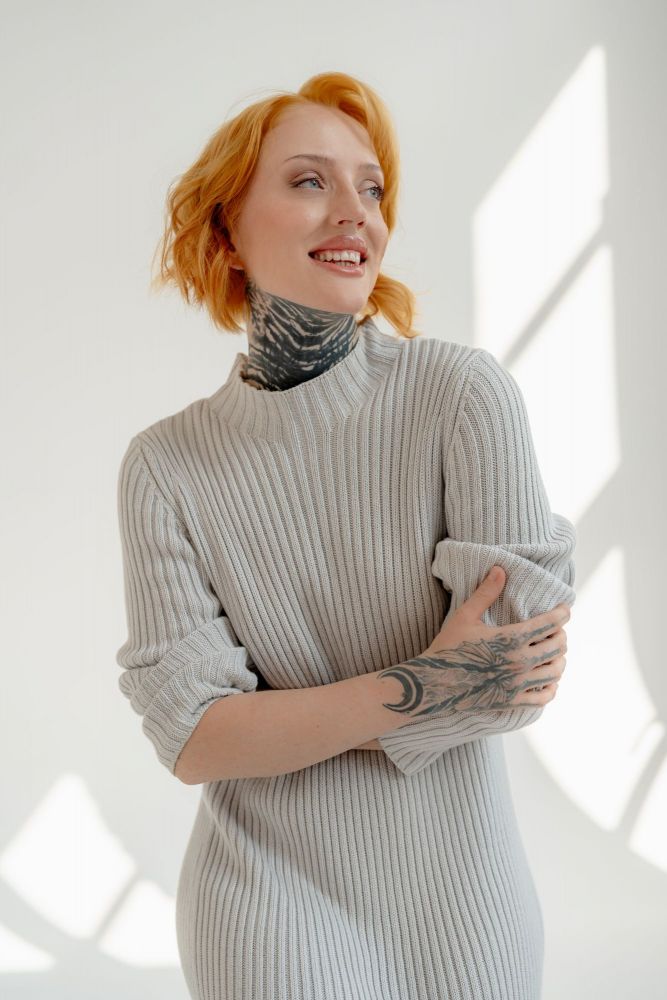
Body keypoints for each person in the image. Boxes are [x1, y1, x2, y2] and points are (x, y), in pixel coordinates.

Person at [115, 71, 575, 1000]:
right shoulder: (166, 465)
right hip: (261, 908)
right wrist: (430, 680)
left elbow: (513, 683)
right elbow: (194, 737)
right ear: (225, 231)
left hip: (464, 903)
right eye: (307, 181)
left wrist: (279, 722)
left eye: (371, 188)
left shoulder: (460, 395)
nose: (354, 212)